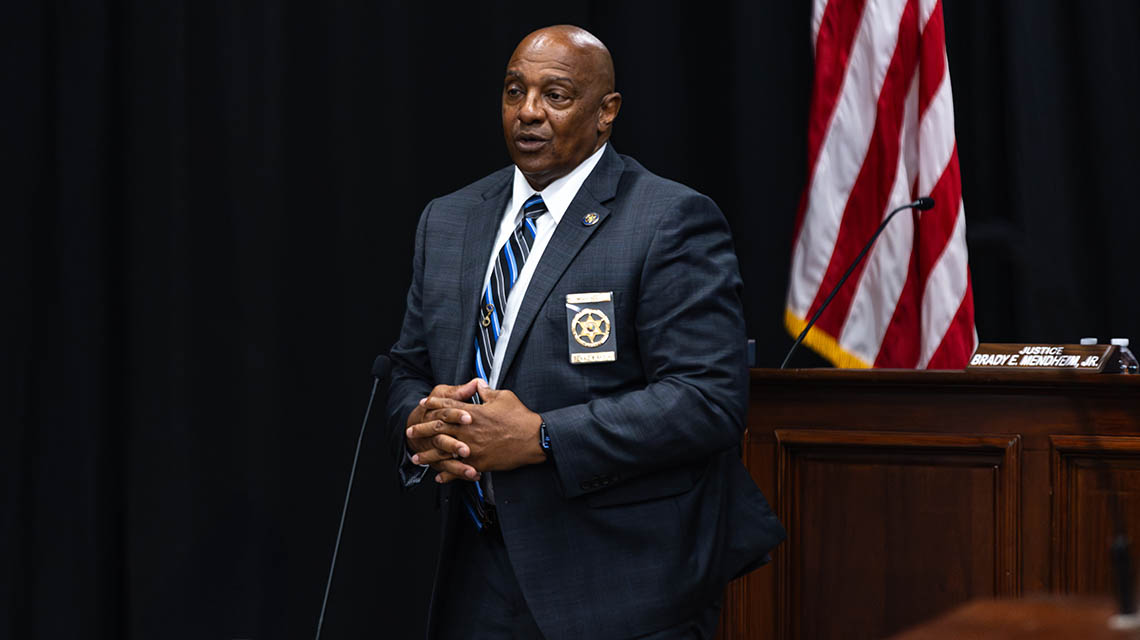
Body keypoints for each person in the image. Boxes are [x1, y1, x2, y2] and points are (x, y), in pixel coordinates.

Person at [387, 24, 784, 640]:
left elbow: (707, 400)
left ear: (606, 112)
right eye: (514, 91)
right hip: (477, 574)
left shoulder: (668, 219)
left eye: (556, 95)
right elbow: (407, 367)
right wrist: (422, 422)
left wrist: (543, 437)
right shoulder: (449, 219)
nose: (528, 112)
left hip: (618, 580)